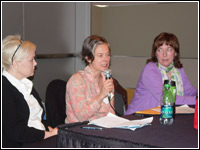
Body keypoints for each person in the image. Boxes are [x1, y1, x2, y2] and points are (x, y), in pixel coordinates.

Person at [2, 35, 58, 148]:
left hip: (36, 138)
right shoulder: (4, 89)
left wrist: (48, 129)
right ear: (15, 63)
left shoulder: (24, 84)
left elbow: (38, 116)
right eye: (31, 59)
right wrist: (46, 134)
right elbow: (14, 131)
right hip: (20, 144)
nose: (35, 63)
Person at [125, 32, 197, 115]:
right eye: (160, 50)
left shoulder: (178, 70)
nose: (164, 54)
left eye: (169, 49)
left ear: (175, 53)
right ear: (155, 54)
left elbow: (190, 91)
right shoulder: (150, 70)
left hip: (164, 116)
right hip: (138, 117)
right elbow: (166, 98)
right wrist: (196, 100)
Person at [65, 35, 115, 123]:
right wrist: (101, 95)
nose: (106, 59)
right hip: (79, 131)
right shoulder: (76, 81)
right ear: (88, 58)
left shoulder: (107, 79)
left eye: (108, 55)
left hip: (103, 128)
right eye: (100, 56)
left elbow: (110, 112)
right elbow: (82, 117)